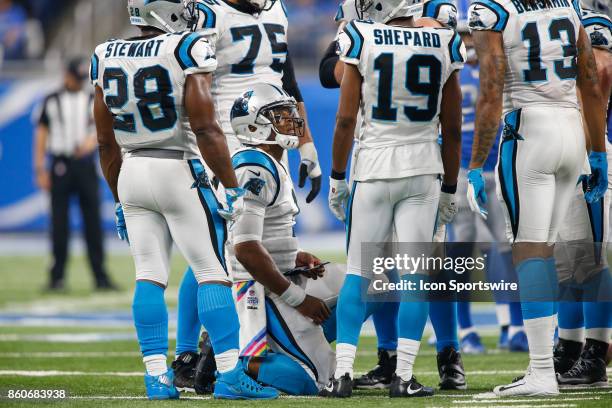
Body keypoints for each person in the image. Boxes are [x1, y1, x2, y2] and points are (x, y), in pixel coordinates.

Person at [90, 0, 278, 400]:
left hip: (132, 169)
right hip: (179, 168)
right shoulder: (186, 47)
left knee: (149, 276)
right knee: (212, 271)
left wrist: (119, 197)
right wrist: (229, 184)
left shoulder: (104, 53)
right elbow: (207, 127)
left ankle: (157, 378)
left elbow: (105, 141)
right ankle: (229, 374)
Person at [171, 0, 324, 386]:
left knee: (263, 241)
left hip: (271, 133)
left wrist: (307, 145)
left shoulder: (277, 11)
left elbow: (287, 80)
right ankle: (188, 353)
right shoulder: (209, 12)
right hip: (224, 139)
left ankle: (237, 338)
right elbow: (191, 81)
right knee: (215, 248)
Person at [318, 0, 467, 392]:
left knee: (358, 273)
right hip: (423, 169)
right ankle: (403, 375)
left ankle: (343, 374)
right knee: (415, 276)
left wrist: (337, 177)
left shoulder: (358, 35)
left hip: (373, 168)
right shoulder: (444, 40)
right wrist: (450, 187)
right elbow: (452, 128)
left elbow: (345, 119)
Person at [466, 0, 608, 397]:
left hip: (528, 127)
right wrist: (597, 151)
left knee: (530, 250)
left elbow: (491, 88)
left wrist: (476, 164)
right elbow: (590, 80)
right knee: (549, 250)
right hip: (571, 129)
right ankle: (548, 364)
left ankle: (543, 372)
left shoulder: (491, 9)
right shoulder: (568, 4)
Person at [449, 9, 527, 354]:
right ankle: (476, 327)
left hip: (481, 166)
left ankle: (497, 326)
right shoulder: (482, 66)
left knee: (495, 250)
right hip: (476, 167)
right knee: (476, 251)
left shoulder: (457, 66)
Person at [554, 1, 612, 387]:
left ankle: (595, 351)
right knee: (564, 258)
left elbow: (601, 70)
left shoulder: (586, 14)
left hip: (588, 145)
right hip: (557, 143)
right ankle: (570, 346)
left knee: (591, 258)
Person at [34, 58, 115, 292]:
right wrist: (39, 168)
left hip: (85, 165)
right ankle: (57, 276)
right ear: (66, 75)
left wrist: (89, 144)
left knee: (93, 222)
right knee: (59, 223)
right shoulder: (51, 100)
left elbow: (100, 129)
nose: (79, 83)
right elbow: (41, 133)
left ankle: (100, 276)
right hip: (60, 164)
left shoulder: (91, 99)